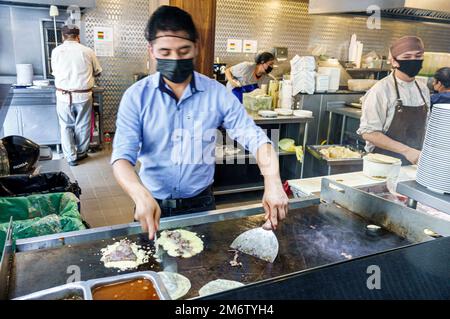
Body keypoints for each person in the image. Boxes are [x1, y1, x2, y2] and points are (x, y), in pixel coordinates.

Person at [111, 6, 288, 240]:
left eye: (183, 50)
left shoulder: (216, 94)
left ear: (196, 48)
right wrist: (138, 194)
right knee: (153, 270)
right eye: (165, 51)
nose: (175, 59)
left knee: (202, 272)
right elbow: (121, 158)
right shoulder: (136, 96)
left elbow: (255, 138)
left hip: (200, 203)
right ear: (151, 51)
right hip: (151, 203)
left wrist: (273, 180)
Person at [357, 36, 430, 165]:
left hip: (414, 163)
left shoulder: (422, 89)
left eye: (418, 56)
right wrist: (407, 151)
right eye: (407, 57)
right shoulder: (381, 90)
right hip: (383, 164)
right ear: (395, 61)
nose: (414, 61)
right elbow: (369, 133)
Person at [51, 25, 102, 167]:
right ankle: (81, 152)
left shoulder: (56, 51)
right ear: (78, 37)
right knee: (83, 125)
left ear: (63, 36)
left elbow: (54, 72)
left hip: (63, 95)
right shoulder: (88, 51)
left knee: (66, 126)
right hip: (83, 96)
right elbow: (98, 71)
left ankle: (71, 157)